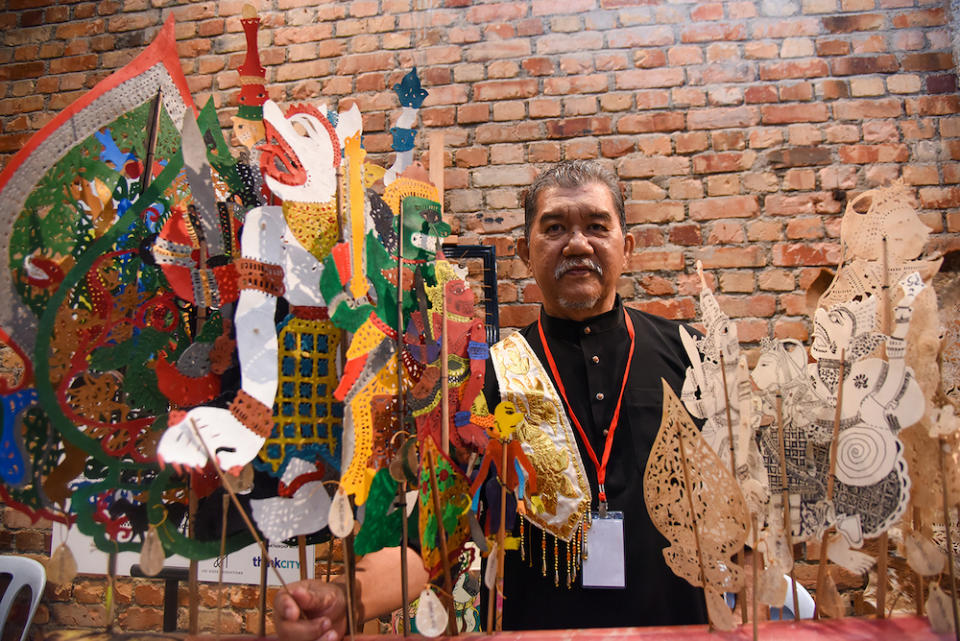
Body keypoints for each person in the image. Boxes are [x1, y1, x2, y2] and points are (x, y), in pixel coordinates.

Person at [274, 159, 706, 638]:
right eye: (556, 227)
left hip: (678, 626)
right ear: (525, 251)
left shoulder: (691, 355)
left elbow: (739, 508)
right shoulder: (486, 376)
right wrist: (345, 602)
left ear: (627, 247)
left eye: (597, 226)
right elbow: (437, 528)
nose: (578, 243)